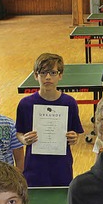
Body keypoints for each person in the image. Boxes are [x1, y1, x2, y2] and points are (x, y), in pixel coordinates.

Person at [16, 53, 83, 187]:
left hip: (61, 166)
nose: (47, 77)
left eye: (52, 73)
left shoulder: (69, 103)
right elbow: (19, 132)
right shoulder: (25, 104)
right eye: (43, 73)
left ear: (60, 75)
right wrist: (24, 139)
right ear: (36, 75)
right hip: (34, 166)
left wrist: (74, 138)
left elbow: (77, 133)